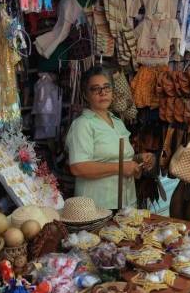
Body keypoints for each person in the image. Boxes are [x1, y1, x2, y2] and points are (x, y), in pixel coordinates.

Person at [65, 66, 154, 210]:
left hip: (126, 204)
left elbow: (120, 160)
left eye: (107, 88)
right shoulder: (82, 124)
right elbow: (78, 167)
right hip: (97, 208)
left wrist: (139, 160)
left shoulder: (118, 122)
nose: (103, 93)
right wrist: (121, 168)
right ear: (86, 95)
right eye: (95, 89)